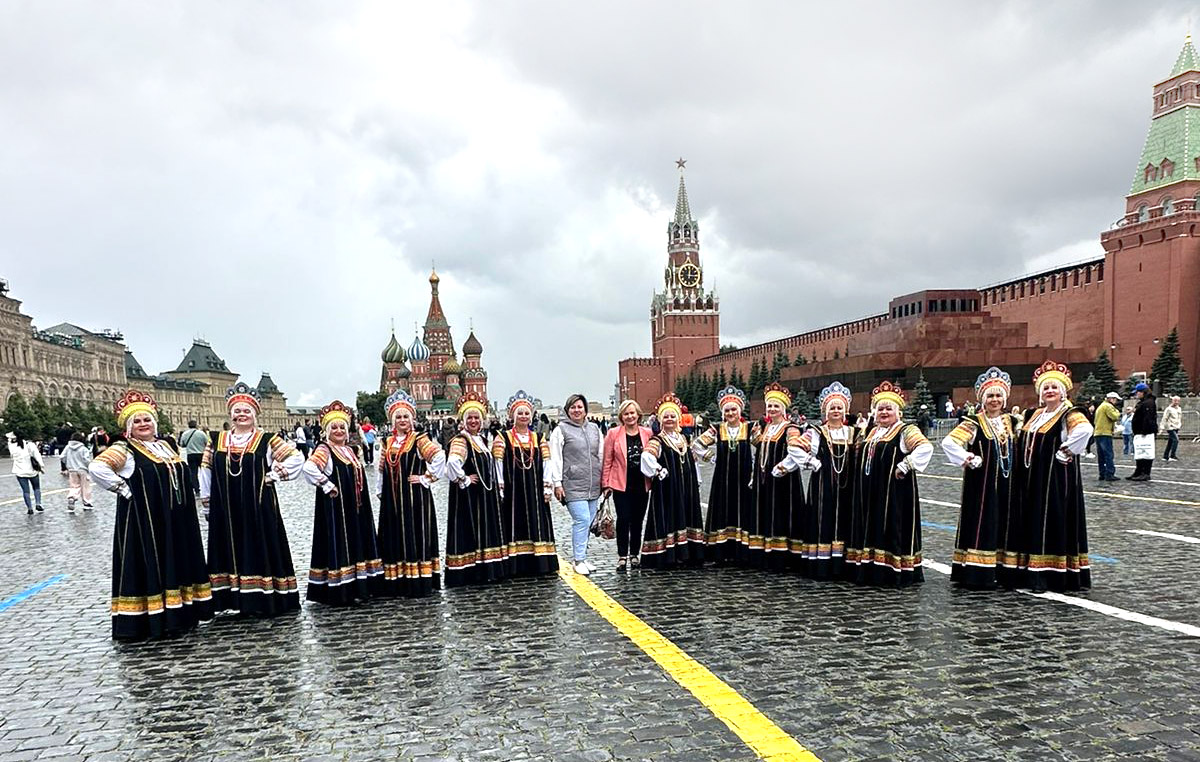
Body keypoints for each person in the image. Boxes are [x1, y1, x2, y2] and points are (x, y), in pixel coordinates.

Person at [88, 390, 212, 640]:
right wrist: (124, 489)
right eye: (137, 421)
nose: (143, 425)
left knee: (176, 560)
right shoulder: (126, 449)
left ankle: (181, 613)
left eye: (147, 420)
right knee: (154, 561)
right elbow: (97, 467)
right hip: (148, 520)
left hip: (176, 519)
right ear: (128, 428)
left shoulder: (164, 445)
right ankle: (155, 619)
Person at [201, 382, 303, 616]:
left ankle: (261, 598)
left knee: (258, 546)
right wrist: (207, 501)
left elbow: (295, 458)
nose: (241, 414)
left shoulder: (267, 439)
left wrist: (275, 475)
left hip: (257, 506)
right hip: (225, 507)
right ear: (230, 414)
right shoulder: (216, 439)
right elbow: (205, 470)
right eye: (237, 410)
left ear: (255, 413)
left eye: (246, 410)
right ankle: (230, 598)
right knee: (228, 547)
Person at [1012, 360, 1092, 591]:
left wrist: (1066, 451)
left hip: (1053, 479)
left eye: (1054, 387)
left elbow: (1085, 430)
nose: (1049, 391)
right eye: (1045, 388)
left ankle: (1050, 573)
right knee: (1032, 519)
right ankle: (1029, 570)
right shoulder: (1035, 414)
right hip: (1030, 479)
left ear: (1063, 391)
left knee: (1050, 519)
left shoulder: (1069, 413)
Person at [940, 368, 1019, 589]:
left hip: (1009, 484)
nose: (994, 400)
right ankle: (978, 572)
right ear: (983, 400)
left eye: (998, 396)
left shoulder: (1012, 422)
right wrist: (967, 457)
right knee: (983, 521)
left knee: (1006, 522)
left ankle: (1004, 570)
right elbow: (949, 442)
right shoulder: (973, 423)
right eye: (990, 396)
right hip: (983, 485)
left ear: (1005, 398)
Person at [849, 381, 932, 588]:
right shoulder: (871, 431)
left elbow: (924, 447)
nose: (884, 412)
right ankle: (871, 568)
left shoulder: (905, 431)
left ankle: (891, 571)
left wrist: (905, 465)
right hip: (870, 491)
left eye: (889, 408)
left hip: (893, 492)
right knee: (872, 525)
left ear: (898, 412)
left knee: (891, 526)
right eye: (880, 408)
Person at [300, 400, 383, 605]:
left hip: (356, 508)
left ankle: (360, 585)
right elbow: (309, 468)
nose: (338, 431)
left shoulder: (350, 450)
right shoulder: (325, 449)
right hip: (338, 509)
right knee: (342, 542)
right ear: (326, 431)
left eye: (342, 427)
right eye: (334, 427)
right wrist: (327, 485)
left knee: (357, 542)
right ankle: (342, 589)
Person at [377, 389, 445, 596]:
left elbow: (439, 457)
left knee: (415, 534)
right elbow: (381, 469)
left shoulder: (419, 439)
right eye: (398, 417)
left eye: (406, 416)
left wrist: (426, 478)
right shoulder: (386, 442)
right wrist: (381, 491)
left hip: (415, 499)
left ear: (412, 418)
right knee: (394, 536)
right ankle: (397, 581)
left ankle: (418, 581)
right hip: (392, 498)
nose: (402, 420)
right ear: (392, 420)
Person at [445, 392, 508, 587]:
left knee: (484, 529)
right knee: (472, 530)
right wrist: (463, 478)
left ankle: (487, 568)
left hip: (484, 495)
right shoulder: (461, 440)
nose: (473, 421)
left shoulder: (480, 439)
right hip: (470, 497)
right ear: (463, 421)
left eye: (476, 418)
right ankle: (473, 571)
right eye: (469, 418)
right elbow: (452, 462)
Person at [493, 390, 558, 577]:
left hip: (534, 489)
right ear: (513, 416)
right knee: (514, 522)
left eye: (526, 413)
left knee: (537, 522)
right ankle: (515, 564)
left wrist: (547, 486)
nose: (523, 416)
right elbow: (497, 464)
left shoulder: (538, 438)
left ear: (531, 416)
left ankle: (538, 562)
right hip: (514, 490)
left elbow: (547, 463)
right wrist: (501, 486)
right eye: (519, 413)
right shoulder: (502, 437)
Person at [799, 382, 860, 581]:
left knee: (846, 519)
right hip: (823, 485)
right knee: (822, 518)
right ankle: (822, 564)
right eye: (832, 407)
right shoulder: (817, 432)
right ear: (825, 411)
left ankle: (843, 564)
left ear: (845, 411)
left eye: (839, 408)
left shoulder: (854, 432)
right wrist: (812, 462)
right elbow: (796, 447)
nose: (835, 411)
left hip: (847, 485)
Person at [639, 393, 705, 570]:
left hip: (686, 487)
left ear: (678, 418)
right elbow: (646, 457)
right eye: (665, 417)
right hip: (668, 488)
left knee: (685, 515)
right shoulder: (657, 440)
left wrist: (696, 478)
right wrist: (658, 470)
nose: (669, 419)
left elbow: (692, 460)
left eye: (672, 416)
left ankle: (686, 553)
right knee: (669, 517)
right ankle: (668, 555)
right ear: (660, 420)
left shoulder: (683, 438)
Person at [690, 387, 753, 566]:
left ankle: (742, 552)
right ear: (722, 412)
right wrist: (711, 457)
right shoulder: (717, 429)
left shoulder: (749, 428)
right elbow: (697, 444)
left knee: (743, 511)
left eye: (734, 409)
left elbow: (763, 444)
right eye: (727, 410)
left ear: (740, 411)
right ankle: (721, 551)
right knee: (723, 510)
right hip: (723, 480)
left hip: (743, 479)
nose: (730, 413)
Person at [749, 382, 808, 571]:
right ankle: (766, 554)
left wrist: (783, 468)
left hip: (784, 482)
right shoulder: (766, 428)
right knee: (766, 513)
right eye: (770, 406)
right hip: (765, 481)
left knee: (782, 514)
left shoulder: (790, 428)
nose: (772, 409)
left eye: (776, 406)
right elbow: (762, 449)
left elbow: (795, 448)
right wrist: (755, 439)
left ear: (783, 409)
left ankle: (783, 557)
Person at [548, 393, 604, 575]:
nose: (577, 410)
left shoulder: (595, 429)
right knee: (582, 519)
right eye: (573, 407)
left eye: (580, 407)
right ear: (567, 410)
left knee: (588, 521)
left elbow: (600, 455)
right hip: (572, 483)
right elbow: (555, 457)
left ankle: (583, 557)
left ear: (585, 409)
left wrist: (604, 479)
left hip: (593, 483)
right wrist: (557, 483)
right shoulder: (560, 430)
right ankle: (578, 559)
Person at [602, 399, 653, 571]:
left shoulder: (647, 433)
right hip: (620, 484)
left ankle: (634, 555)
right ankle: (622, 556)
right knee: (623, 519)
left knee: (638, 521)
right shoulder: (614, 433)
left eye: (633, 413)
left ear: (638, 414)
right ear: (621, 416)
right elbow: (607, 460)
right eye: (626, 413)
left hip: (642, 484)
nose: (630, 416)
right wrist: (606, 484)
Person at [7, 431, 44, 514]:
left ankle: (30, 508)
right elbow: (37, 455)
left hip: (20, 471)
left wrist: (10, 440)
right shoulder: (30, 445)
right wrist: (41, 466)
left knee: (26, 491)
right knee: (36, 488)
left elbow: (9, 442)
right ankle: (38, 503)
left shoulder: (12, 447)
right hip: (32, 470)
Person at [1128, 382, 1158, 481]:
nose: (1136, 394)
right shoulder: (1143, 402)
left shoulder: (1148, 402)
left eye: (1137, 392)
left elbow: (1148, 418)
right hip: (1139, 432)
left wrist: (1144, 430)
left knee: (1146, 452)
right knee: (1139, 452)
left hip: (1145, 432)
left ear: (1142, 392)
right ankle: (1139, 471)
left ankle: (1146, 472)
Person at [1093, 391, 1122, 482]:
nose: (1116, 402)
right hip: (1105, 433)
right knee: (1108, 454)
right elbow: (1115, 417)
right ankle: (1109, 473)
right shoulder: (1108, 406)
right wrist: (1117, 411)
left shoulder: (1101, 407)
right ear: (1111, 399)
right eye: (1116, 400)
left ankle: (1102, 473)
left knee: (1101, 456)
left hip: (1098, 433)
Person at [63, 432, 94, 512]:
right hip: (82, 469)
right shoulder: (83, 448)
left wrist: (67, 464)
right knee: (85, 486)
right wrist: (89, 466)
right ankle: (87, 503)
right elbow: (86, 460)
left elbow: (62, 456)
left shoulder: (68, 447)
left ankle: (72, 497)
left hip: (72, 470)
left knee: (74, 486)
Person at [178, 420, 208, 495]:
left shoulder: (185, 434)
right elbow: (207, 443)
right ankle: (206, 488)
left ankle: (197, 489)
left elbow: (182, 444)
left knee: (193, 473)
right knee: (204, 472)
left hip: (191, 454)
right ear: (196, 425)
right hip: (201, 454)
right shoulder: (201, 433)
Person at [1162, 395, 1183, 462]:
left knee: (1170, 442)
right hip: (1170, 427)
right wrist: (1162, 427)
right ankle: (1172, 455)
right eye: (1175, 400)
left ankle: (1165, 456)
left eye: (1177, 401)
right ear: (1172, 401)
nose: (1176, 402)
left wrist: (1179, 424)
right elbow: (1165, 418)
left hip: (1176, 426)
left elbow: (1179, 417)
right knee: (1176, 440)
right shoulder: (1168, 409)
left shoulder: (1179, 408)